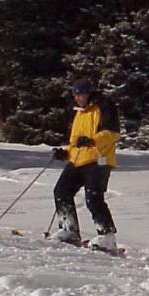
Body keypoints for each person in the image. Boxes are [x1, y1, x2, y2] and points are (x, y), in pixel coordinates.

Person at [51, 77, 120, 252]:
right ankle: (69, 231)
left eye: (81, 94)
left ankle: (107, 237)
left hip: (99, 159)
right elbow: (76, 141)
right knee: (61, 190)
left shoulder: (103, 106)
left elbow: (112, 133)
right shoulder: (80, 112)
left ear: (90, 93)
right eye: (75, 94)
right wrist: (66, 153)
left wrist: (92, 141)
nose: (78, 97)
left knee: (94, 197)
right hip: (79, 159)